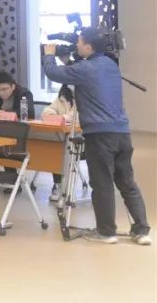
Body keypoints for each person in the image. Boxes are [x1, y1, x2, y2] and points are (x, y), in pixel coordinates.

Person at [42, 29, 149, 245]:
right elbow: (82, 72)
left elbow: (53, 73)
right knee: (127, 183)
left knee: (102, 184)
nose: (77, 45)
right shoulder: (110, 65)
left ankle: (106, 232)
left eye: (80, 42)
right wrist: (69, 60)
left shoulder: (85, 69)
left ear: (88, 47)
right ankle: (142, 231)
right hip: (122, 133)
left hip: (100, 135)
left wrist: (49, 55)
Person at [41, 84, 75, 202]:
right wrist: (54, 116)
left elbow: (78, 116)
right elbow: (47, 111)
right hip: (63, 138)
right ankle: (58, 184)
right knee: (54, 149)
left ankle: (66, 188)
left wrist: (62, 117)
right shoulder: (63, 96)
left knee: (60, 150)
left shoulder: (86, 95)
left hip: (82, 139)